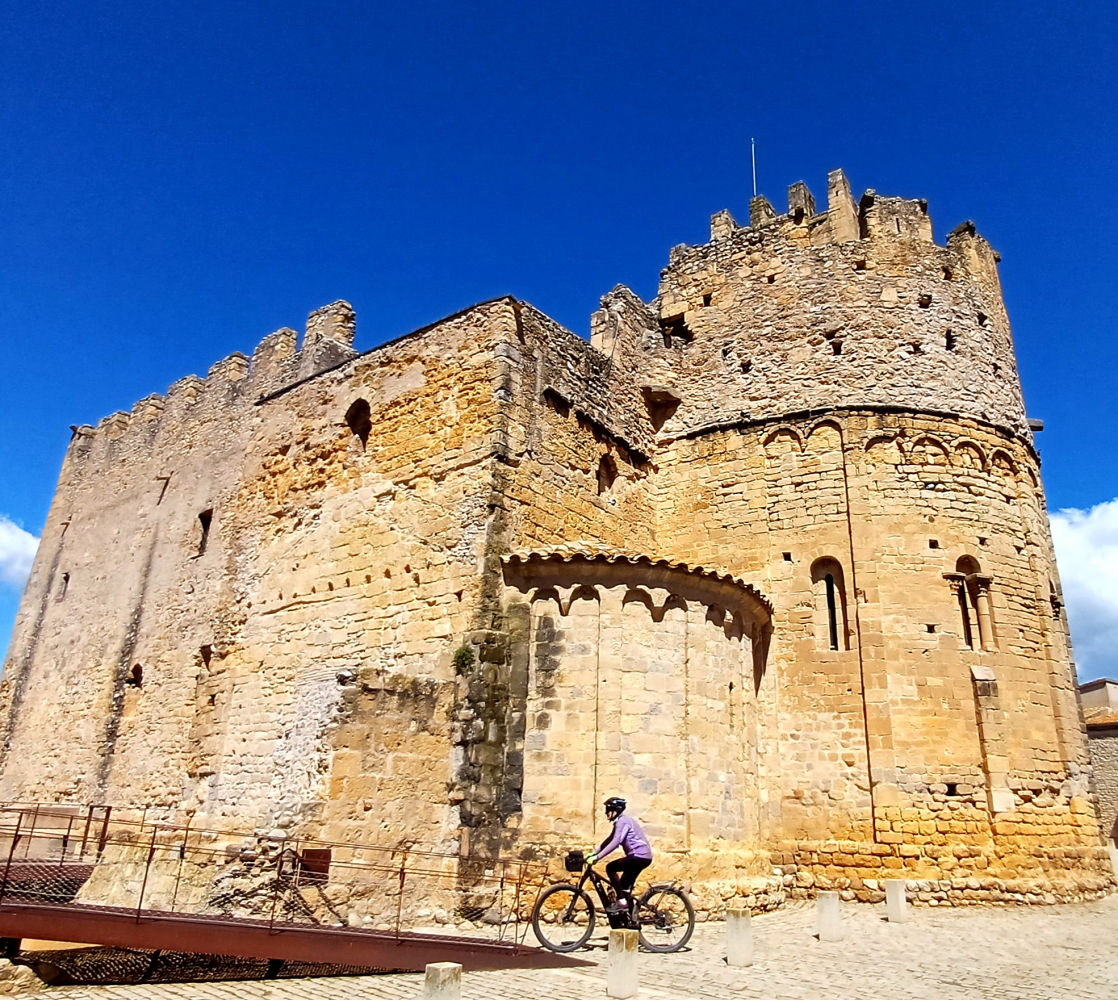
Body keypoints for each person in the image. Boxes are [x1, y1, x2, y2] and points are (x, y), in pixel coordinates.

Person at [586, 796, 652, 914]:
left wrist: (598, 858)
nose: (606, 813)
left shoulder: (623, 821)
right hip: (642, 858)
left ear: (616, 810)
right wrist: (593, 853)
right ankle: (631, 919)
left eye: (608, 810)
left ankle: (622, 902)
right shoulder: (620, 822)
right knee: (623, 887)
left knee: (610, 867)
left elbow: (616, 842)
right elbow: (609, 840)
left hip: (638, 856)